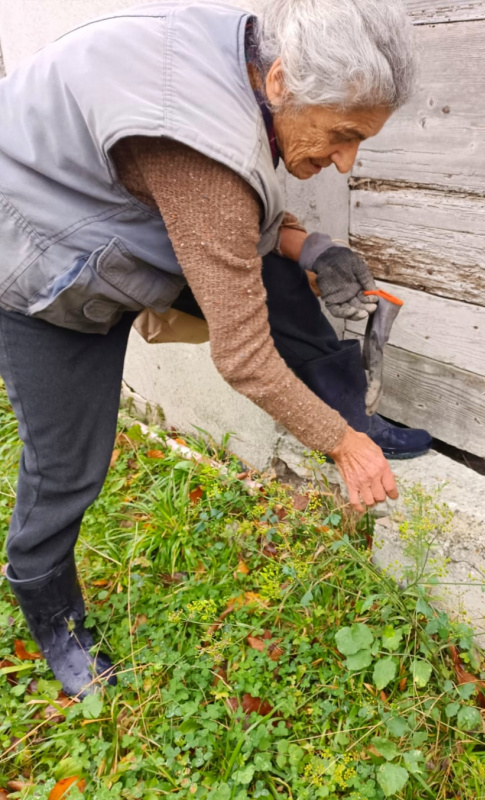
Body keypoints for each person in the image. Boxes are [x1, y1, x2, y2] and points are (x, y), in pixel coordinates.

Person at [0, 0, 431, 697]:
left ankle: (354, 410)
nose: (347, 162)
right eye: (345, 134)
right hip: (38, 261)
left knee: (283, 282)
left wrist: (304, 243)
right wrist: (339, 448)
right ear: (283, 82)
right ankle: (47, 603)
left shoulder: (245, 56)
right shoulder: (200, 148)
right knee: (69, 462)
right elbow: (244, 357)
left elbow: (234, 213)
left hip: (121, 223)